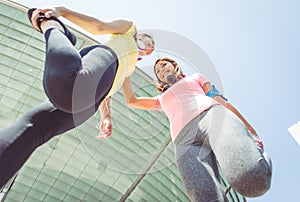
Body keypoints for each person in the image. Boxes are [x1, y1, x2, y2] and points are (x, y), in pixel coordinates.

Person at [0, 6, 155, 188]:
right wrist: (63, 12)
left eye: (151, 47)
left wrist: (106, 117)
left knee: (36, 128)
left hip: (93, 100)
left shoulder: (130, 68)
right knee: (69, 89)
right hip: (99, 65)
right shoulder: (129, 30)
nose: (149, 46)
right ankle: (51, 25)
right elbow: (99, 27)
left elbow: (117, 94)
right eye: (148, 40)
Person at [122, 57, 272, 201]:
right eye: (158, 70)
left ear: (174, 66)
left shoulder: (196, 78)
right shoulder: (160, 99)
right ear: (159, 79)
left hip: (213, 117)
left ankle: (258, 154)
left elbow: (220, 100)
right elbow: (131, 101)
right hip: (184, 142)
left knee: (252, 180)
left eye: (164, 65)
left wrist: (250, 130)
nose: (161, 69)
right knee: (205, 198)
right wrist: (127, 71)